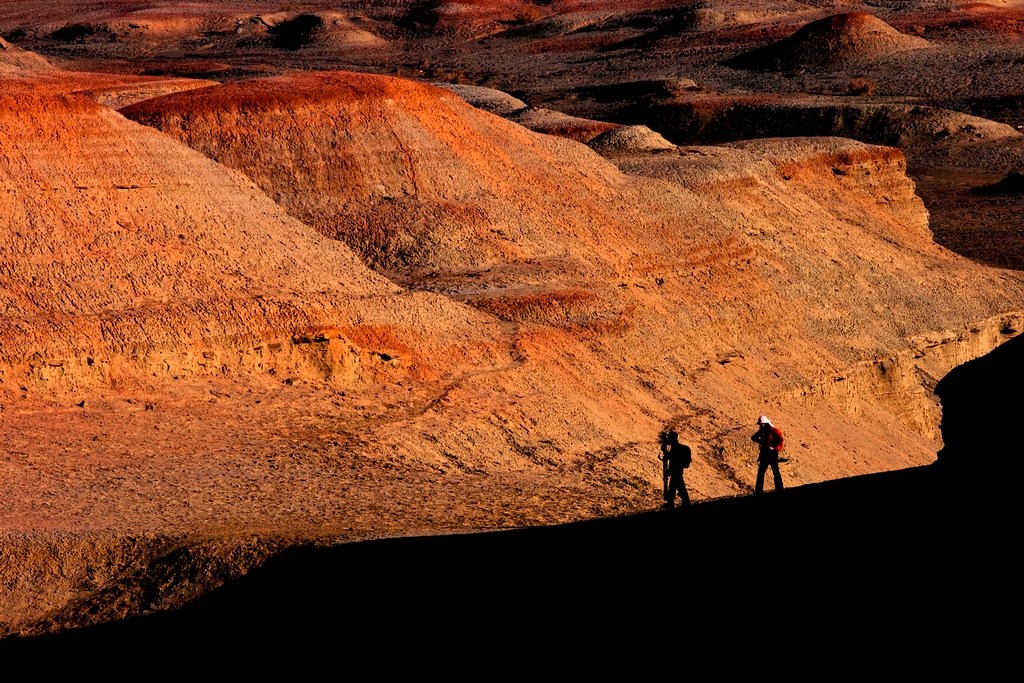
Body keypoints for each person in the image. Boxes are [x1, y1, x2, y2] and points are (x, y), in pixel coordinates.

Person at [751, 415, 785, 495]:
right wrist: (762, 442)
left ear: (765, 423)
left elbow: (780, 439)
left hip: (772, 453)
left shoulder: (772, 430)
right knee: (762, 472)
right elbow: (753, 437)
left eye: (761, 424)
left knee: (774, 471)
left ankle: (779, 489)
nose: (760, 425)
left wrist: (773, 447)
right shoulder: (762, 430)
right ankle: (759, 491)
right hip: (766, 453)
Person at [658, 428, 691, 508]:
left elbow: (674, 460)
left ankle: (682, 502)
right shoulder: (675, 448)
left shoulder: (675, 448)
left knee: (677, 486)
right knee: (676, 486)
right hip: (677, 471)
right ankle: (674, 502)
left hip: (676, 470)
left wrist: (669, 470)